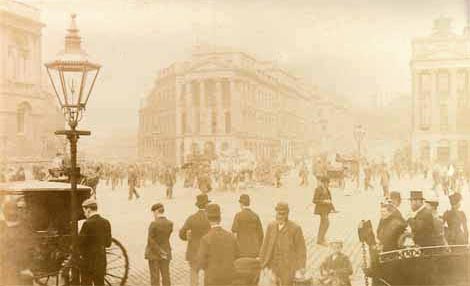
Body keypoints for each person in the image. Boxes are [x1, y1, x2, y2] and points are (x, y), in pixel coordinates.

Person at [259, 202, 306, 286]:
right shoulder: (271, 226)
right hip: (272, 266)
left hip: (287, 268)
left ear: (287, 214)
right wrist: (262, 263)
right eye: (278, 214)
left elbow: (301, 250)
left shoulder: (295, 229)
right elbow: (265, 245)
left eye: (282, 214)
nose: (280, 216)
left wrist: (300, 268)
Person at [197, 203, 239, 286]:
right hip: (229, 277)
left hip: (212, 278)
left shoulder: (206, 239)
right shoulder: (231, 236)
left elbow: (201, 262)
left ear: (207, 219)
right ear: (220, 218)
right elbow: (237, 255)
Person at [179, 194, 211, 286]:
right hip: (207, 252)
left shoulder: (191, 218)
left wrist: (188, 237)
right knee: (208, 276)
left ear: (198, 205)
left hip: (194, 251)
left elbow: (181, 234)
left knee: (194, 276)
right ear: (207, 205)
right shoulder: (210, 218)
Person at [78, 198, 112, 286]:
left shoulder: (87, 224)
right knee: (100, 283)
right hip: (101, 261)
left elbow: (80, 244)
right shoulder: (106, 222)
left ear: (88, 209)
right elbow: (108, 244)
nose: (84, 213)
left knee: (86, 283)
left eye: (84, 211)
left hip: (87, 262)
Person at [0, 200, 34, 286]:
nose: (10, 212)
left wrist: (26, 267)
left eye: (13, 209)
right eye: (7, 209)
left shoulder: (24, 229)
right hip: (4, 269)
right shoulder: (2, 227)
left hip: (20, 269)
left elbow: (29, 250)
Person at [145, 203, 173, 286]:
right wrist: (163, 252)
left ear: (156, 211)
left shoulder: (154, 223)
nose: (153, 215)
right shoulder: (170, 223)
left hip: (154, 254)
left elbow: (150, 240)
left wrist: (160, 252)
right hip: (166, 251)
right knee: (166, 275)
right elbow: (166, 237)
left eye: (153, 212)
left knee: (155, 277)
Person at [231, 194, 264, 258]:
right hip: (254, 251)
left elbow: (234, 233)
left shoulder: (238, 215)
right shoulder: (255, 216)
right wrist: (258, 247)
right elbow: (261, 235)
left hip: (241, 251)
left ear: (241, 204)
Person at [313, 176, 335, 245]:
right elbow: (314, 200)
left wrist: (333, 209)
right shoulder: (318, 189)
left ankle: (320, 239)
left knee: (323, 224)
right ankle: (321, 240)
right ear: (322, 182)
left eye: (328, 183)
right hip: (321, 210)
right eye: (326, 183)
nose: (327, 184)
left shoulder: (327, 189)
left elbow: (329, 200)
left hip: (326, 210)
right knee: (326, 224)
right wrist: (323, 201)